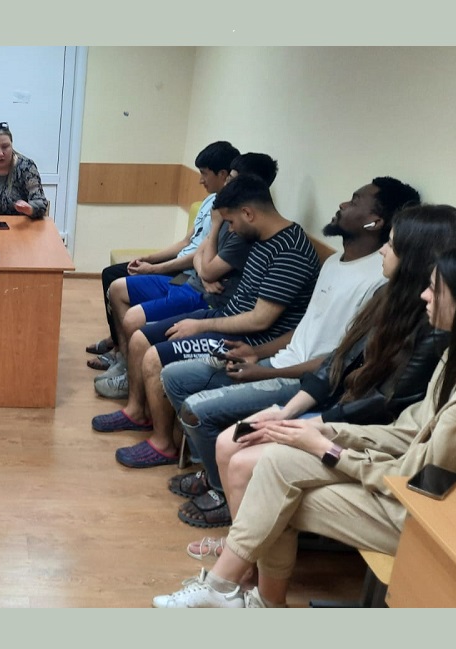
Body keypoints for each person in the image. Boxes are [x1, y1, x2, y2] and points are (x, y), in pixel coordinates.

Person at [152, 245, 456, 608]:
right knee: (263, 460)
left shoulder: (432, 340)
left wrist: (328, 446)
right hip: (366, 449)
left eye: (435, 288)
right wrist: (318, 429)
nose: (425, 294)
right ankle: (237, 583)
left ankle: (242, 586)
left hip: (412, 503)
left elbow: (412, 469)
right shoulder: (434, 342)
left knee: (267, 489)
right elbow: (403, 427)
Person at [183, 203, 455, 555]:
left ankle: (243, 557)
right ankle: (241, 548)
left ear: (415, 256)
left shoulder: (433, 329)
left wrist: (315, 426)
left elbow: (383, 405)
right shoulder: (385, 296)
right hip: (332, 412)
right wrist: (286, 414)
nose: (383, 251)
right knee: (229, 440)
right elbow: (336, 362)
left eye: (391, 244)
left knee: (247, 460)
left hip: (359, 427)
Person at [97, 175, 320, 469]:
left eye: (231, 222)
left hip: (245, 340)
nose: (231, 229)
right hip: (222, 317)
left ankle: (163, 444)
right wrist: (205, 301)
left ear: (248, 213)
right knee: (140, 338)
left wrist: (199, 326)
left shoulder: (290, 251)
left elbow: (260, 320)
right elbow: (204, 257)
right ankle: (138, 412)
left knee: (153, 358)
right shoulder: (261, 238)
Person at [95, 151, 273, 399]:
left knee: (134, 319)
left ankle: (131, 379)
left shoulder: (239, 227)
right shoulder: (219, 208)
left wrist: (207, 258)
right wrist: (166, 263)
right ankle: (125, 363)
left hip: (202, 296)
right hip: (192, 280)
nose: (228, 183)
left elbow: (207, 266)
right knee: (116, 286)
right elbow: (197, 251)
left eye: (233, 179)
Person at [86, 141, 241, 371]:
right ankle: (119, 346)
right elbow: (187, 243)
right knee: (114, 275)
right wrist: (150, 258)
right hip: (186, 269)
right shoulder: (211, 202)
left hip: (186, 275)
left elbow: (200, 257)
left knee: (118, 280)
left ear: (223, 174)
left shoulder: (227, 217)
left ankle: (122, 351)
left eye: (204, 173)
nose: (200, 180)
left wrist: (155, 268)